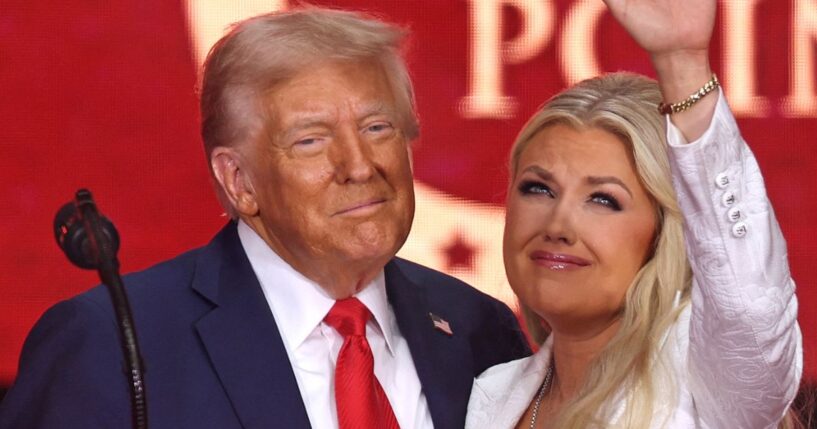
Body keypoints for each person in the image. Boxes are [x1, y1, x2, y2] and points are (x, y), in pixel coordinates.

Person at [0, 8, 530, 429]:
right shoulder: (113, 345)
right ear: (239, 181)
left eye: (377, 127)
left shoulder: (480, 330)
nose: (359, 165)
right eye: (310, 141)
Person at [465, 0, 802, 428]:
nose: (557, 225)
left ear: (663, 233)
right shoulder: (489, 394)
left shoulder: (703, 381)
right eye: (539, 188)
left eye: (604, 200)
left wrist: (682, 66)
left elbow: (749, 307)